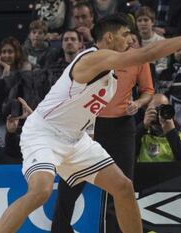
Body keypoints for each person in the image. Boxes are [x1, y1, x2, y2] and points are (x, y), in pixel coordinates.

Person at [0, 7, 181, 233]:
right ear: (110, 37)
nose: (130, 39)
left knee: (123, 187)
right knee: (41, 191)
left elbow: (75, 103)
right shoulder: (94, 58)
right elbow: (146, 55)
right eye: (125, 34)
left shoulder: (109, 74)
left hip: (76, 138)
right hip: (45, 134)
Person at [51, 30, 154, 233]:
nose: (128, 43)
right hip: (90, 126)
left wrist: (139, 102)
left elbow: (148, 90)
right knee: (70, 183)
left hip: (122, 128)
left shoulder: (139, 60)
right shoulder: (97, 57)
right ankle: (59, 230)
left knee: (123, 187)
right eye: (126, 38)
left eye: (131, 40)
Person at [136, 94, 181, 162]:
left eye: (163, 109)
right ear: (146, 111)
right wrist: (143, 126)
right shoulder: (141, 137)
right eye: (155, 109)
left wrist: (171, 132)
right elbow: (125, 153)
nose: (159, 115)